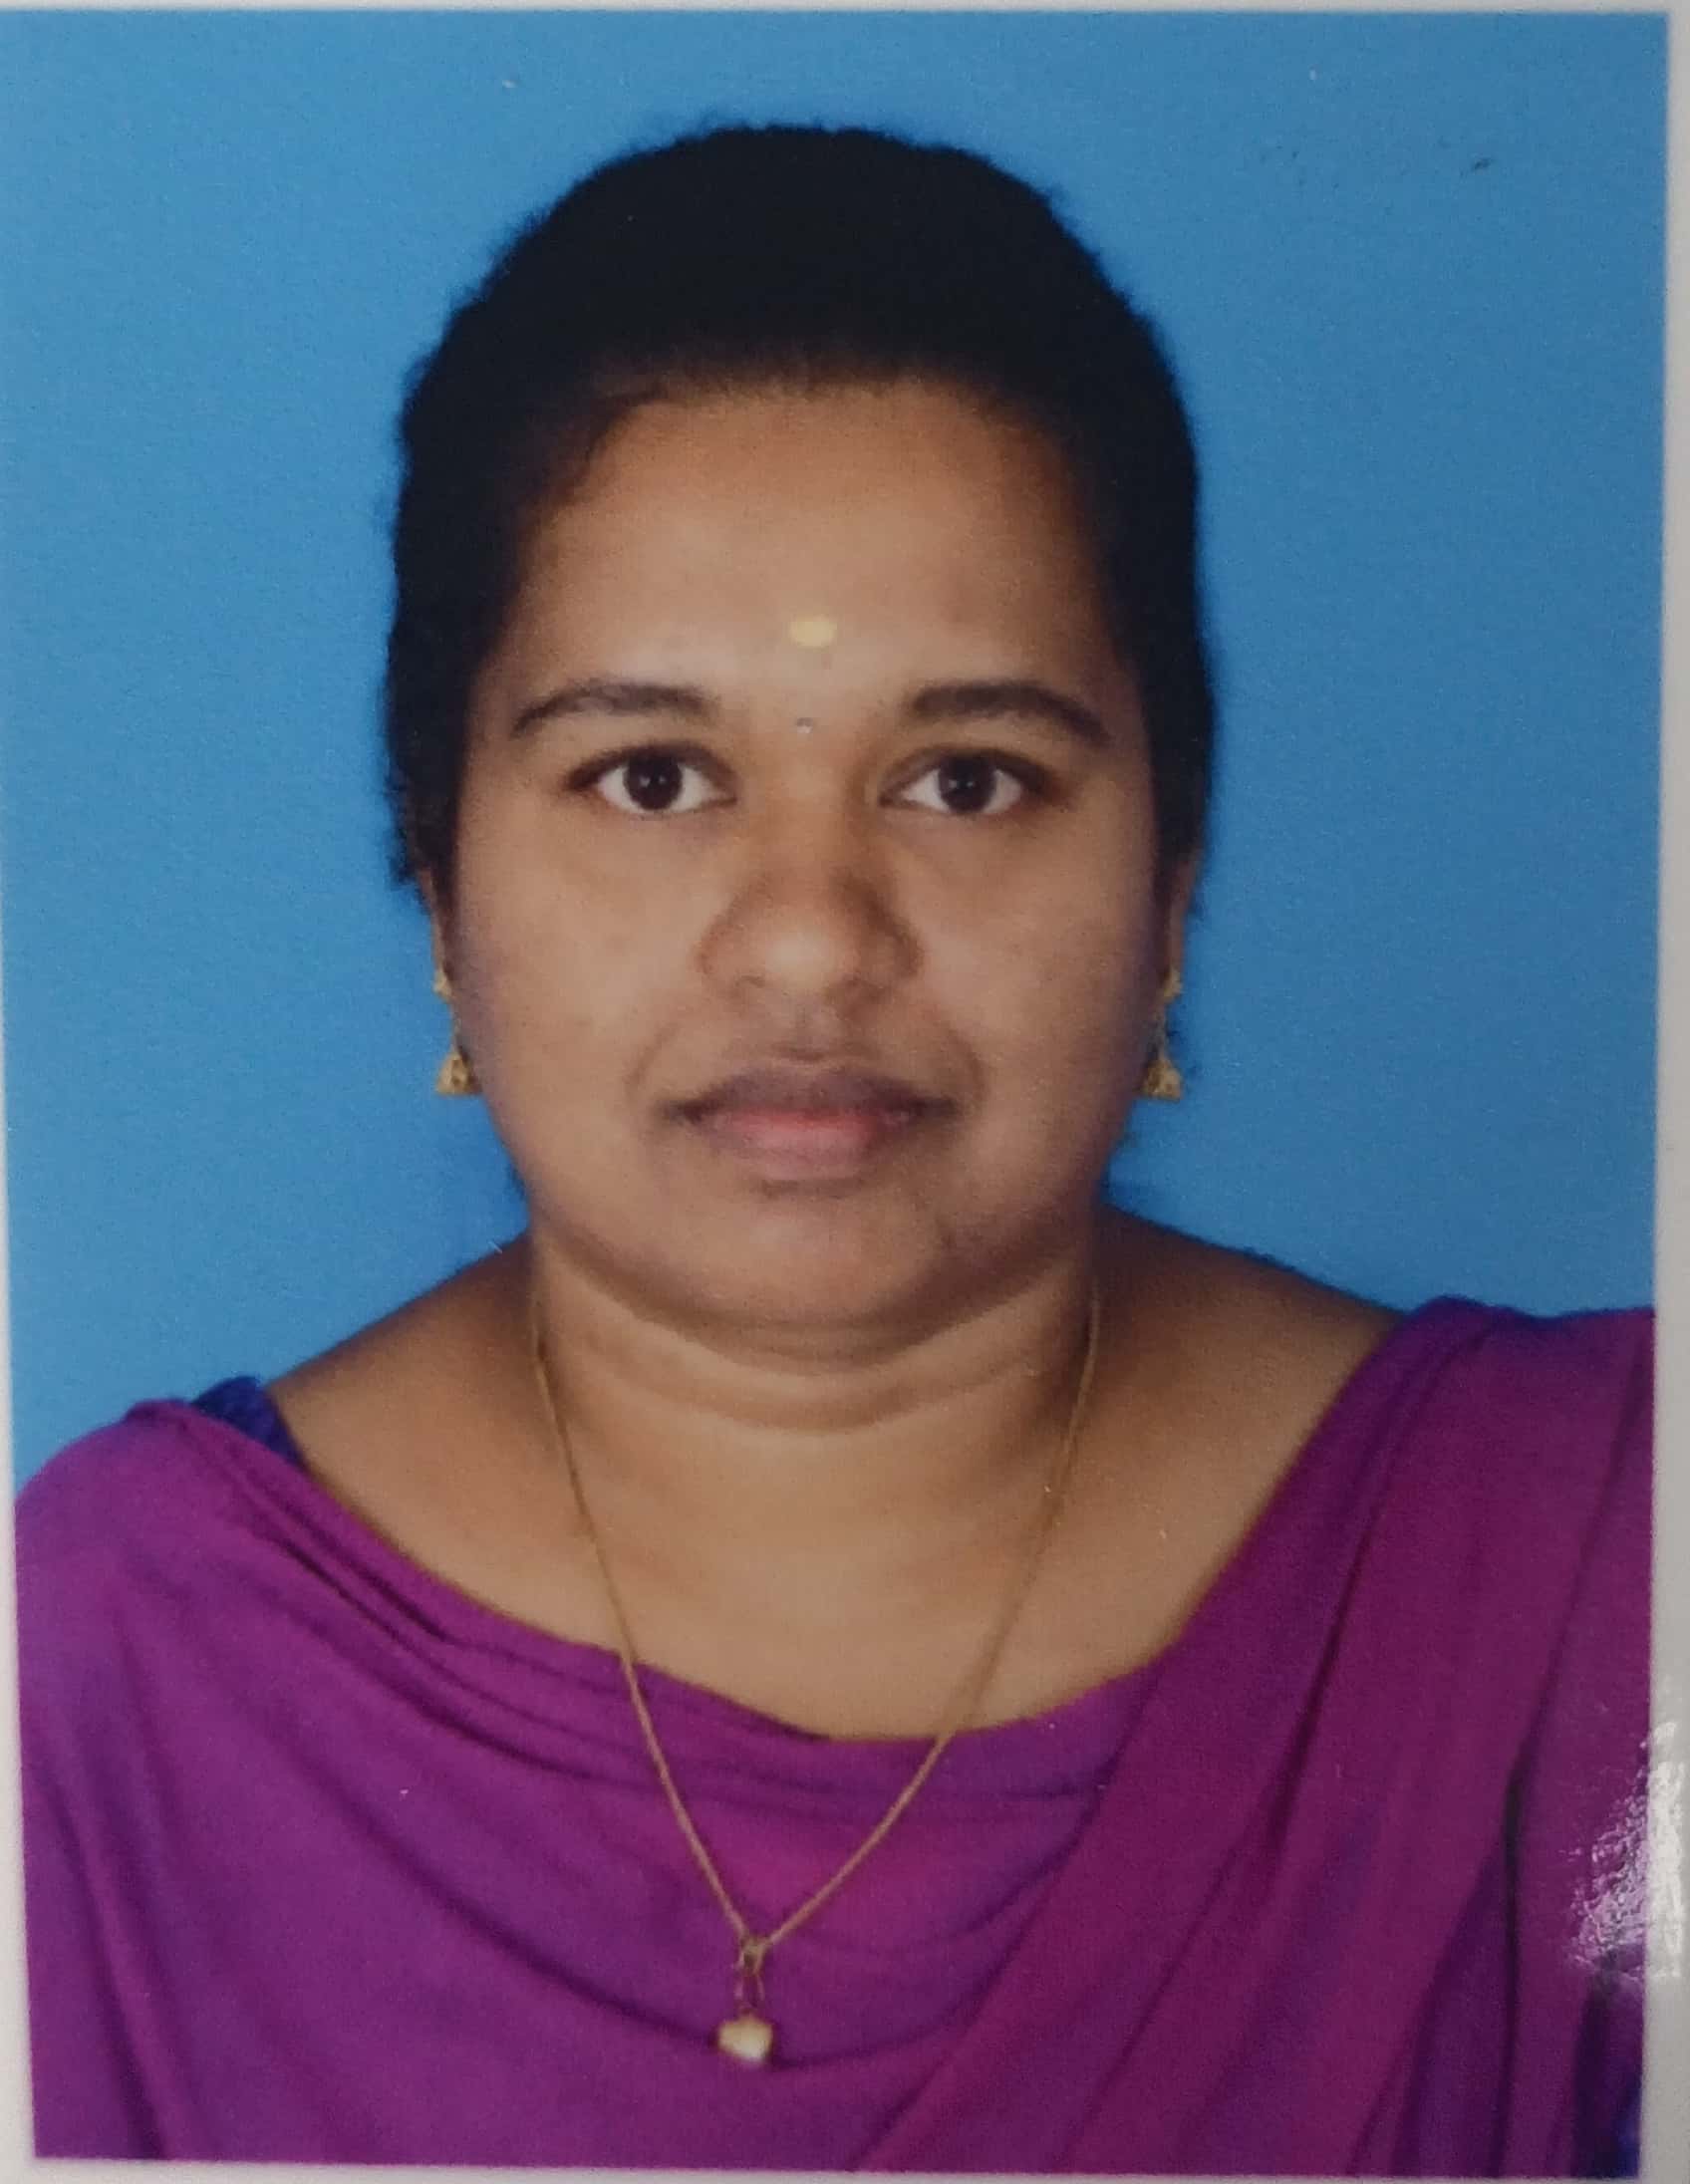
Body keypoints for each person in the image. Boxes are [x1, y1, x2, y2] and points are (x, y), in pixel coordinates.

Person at [15, 125, 1648, 2173]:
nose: (809, 939)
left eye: (966, 778)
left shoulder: (1597, 1559)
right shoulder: (104, 1662)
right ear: (439, 878)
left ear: (1172, 873)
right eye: (651, 776)